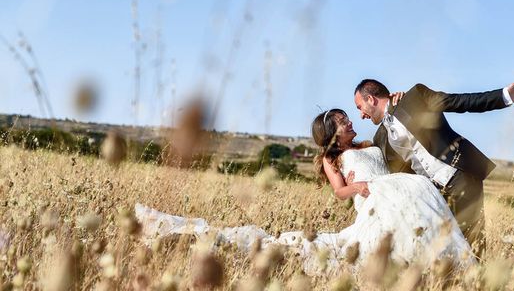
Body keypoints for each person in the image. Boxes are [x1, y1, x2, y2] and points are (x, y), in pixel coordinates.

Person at [135, 109, 474, 273]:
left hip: (394, 193)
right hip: (370, 198)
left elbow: (393, 131)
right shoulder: (332, 158)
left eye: (347, 119)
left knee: (418, 222)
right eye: (343, 122)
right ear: (332, 132)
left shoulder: (372, 143)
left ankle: (440, 263)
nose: (349, 123)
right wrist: (359, 185)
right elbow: (341, 192)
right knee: (363, 247)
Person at [354, 78, 514, 258]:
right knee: (442, 247)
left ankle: (477, 283)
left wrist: (504, 95)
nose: (361, 115)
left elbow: (460, 102)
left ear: (371, 99)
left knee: (472, 242)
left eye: (359, 107)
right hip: (433, 195)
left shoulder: (415, 96)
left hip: (460, 175)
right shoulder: (380, 138)